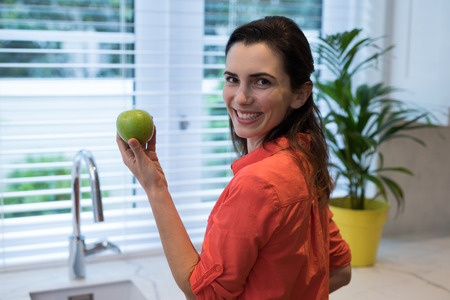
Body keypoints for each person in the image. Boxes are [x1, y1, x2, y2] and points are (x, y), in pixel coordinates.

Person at [117, 16, 351, 300]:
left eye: (261, 82)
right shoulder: (304, 159)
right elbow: (340, 270)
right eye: (232, 79)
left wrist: (155, 187)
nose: (240, 98)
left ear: (299, 94)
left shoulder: (258, 184)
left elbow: (202, 294)